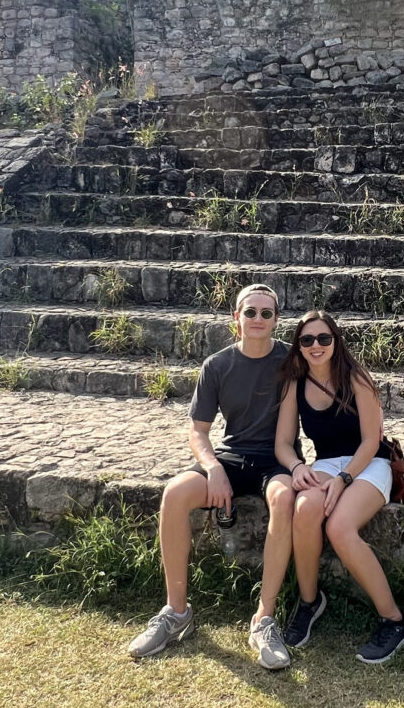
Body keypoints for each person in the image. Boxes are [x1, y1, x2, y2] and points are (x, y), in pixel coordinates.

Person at [127, 283, 296, 670]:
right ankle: (176, 612)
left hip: (277, 458)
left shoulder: (291, 360)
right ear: (236, 318)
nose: (257, 319)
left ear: (276, 320)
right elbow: (198, 431)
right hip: (231, 456)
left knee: (284, 498)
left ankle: (264, 619)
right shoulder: (217, 365)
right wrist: (214, 468)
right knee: (175, 493)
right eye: (250, 312)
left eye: (266, 313)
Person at [274, 310, 404, 664]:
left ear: (336, 342)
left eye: (324, 338)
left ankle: (395, 621)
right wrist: (297, 467)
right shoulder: (295, 384)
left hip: (368, 462)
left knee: (339, 527)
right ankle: (309, 602)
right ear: (298, 345)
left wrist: (344, 479)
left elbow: (371, 441)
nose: (316, 345)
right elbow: (283, 443)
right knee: (305, 509)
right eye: (307, 339)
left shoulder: (356, 378)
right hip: (325, 463)